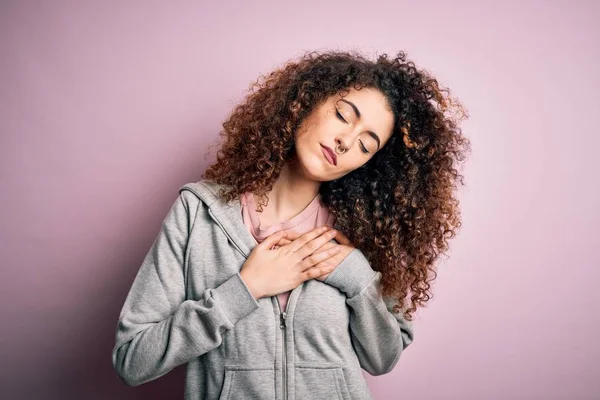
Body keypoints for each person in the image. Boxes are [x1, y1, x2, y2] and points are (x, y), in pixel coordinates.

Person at [111, 49, 470, 399]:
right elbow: (132, 359)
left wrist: (359, 280)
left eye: (366, 144)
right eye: (344, 115)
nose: (346, 142)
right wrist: (245, 289)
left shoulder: (363, 233)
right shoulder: (199, 213)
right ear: (308, 100)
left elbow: (383, 359)